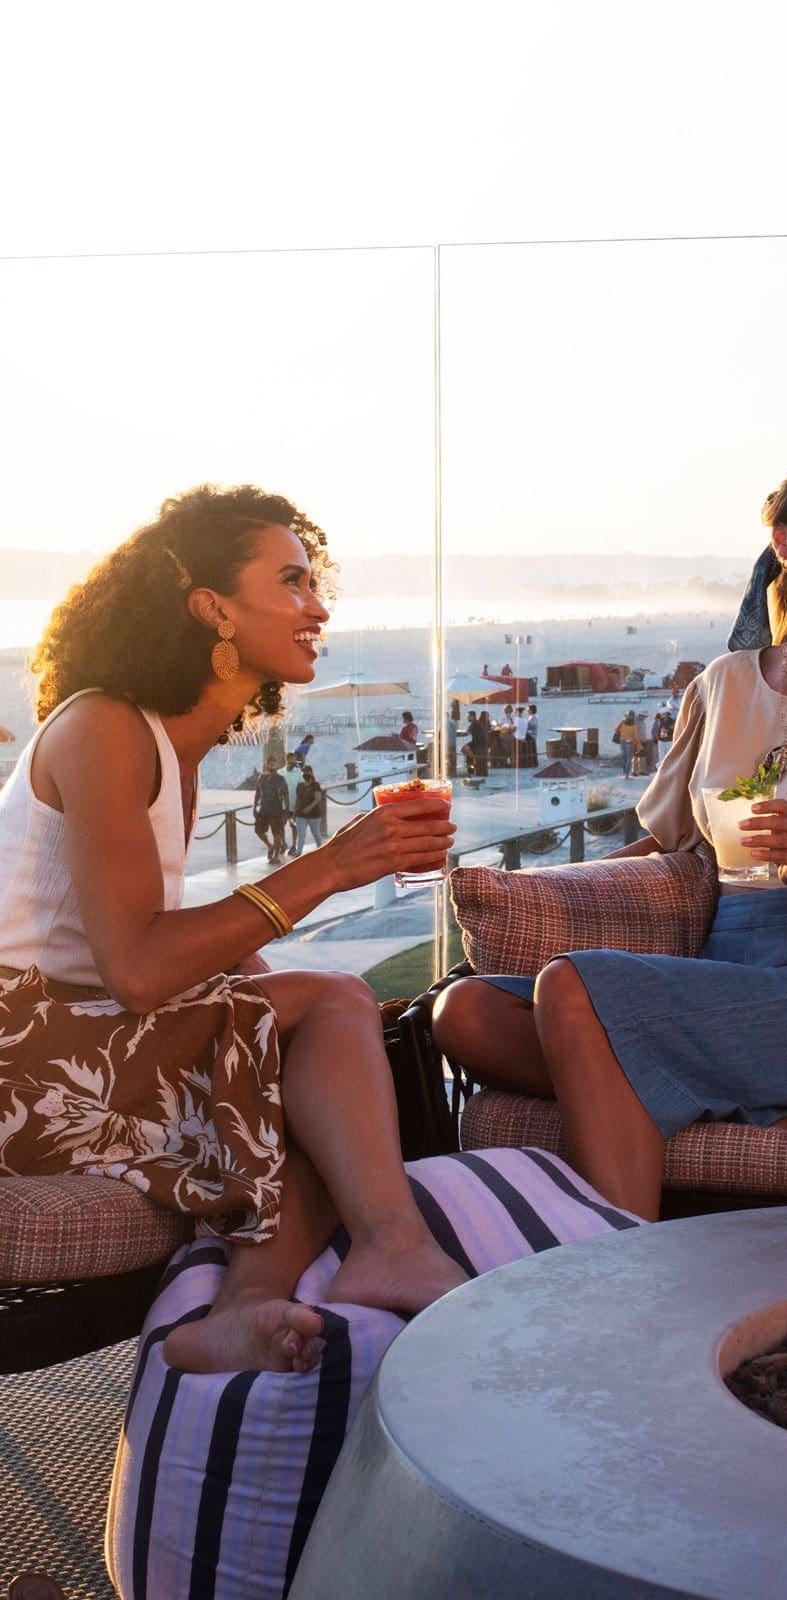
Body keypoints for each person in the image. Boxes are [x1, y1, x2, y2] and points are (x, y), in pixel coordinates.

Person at [430, 448, 787, 1221]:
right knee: (466, 1014)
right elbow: (669, 842)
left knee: (572, 991)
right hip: (727, 976)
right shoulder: (722, 686)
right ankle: (780, 1119)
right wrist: (544, 891)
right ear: (783, 539)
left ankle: (622, 1276)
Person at [0, 484, 465, 1374]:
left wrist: (292, 1003)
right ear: (212, 607)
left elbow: (165, 937)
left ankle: (246, 1306)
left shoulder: (167, 743)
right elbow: (138, 968)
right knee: (329, 1010)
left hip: (78, 1037)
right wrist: (333, 865)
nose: (317, 605)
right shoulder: (103, 729)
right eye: (291, 581)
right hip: (22, 1057)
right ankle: (393, 1243)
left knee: (331, 1047)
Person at [253, 755, 291, 863]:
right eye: (270, 763)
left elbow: (286, 795)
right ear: (266, 764)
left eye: (274, 763)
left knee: (276, 834)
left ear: (277, 765)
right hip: (264, 810)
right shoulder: (262, 777)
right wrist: (254, 806)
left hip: (276, 810)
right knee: (258, 831)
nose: (272, 765)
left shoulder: (281, 779)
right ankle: (270, 846)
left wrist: (287, 811)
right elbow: (258, 793)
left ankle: (276, 856)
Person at [290, 763, 328, 854]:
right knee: (301, 834)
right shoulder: (300, 785)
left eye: (307, 772)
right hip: (301, 814)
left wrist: (309, 808)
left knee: (316, 833)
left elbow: (317, 798)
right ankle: (299, 852)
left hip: (314, 814)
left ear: (311, 773)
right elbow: (298, 799)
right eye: (303, 772)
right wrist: (295, 812)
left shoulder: (316, 785)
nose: (305, 774)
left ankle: (320, 849)